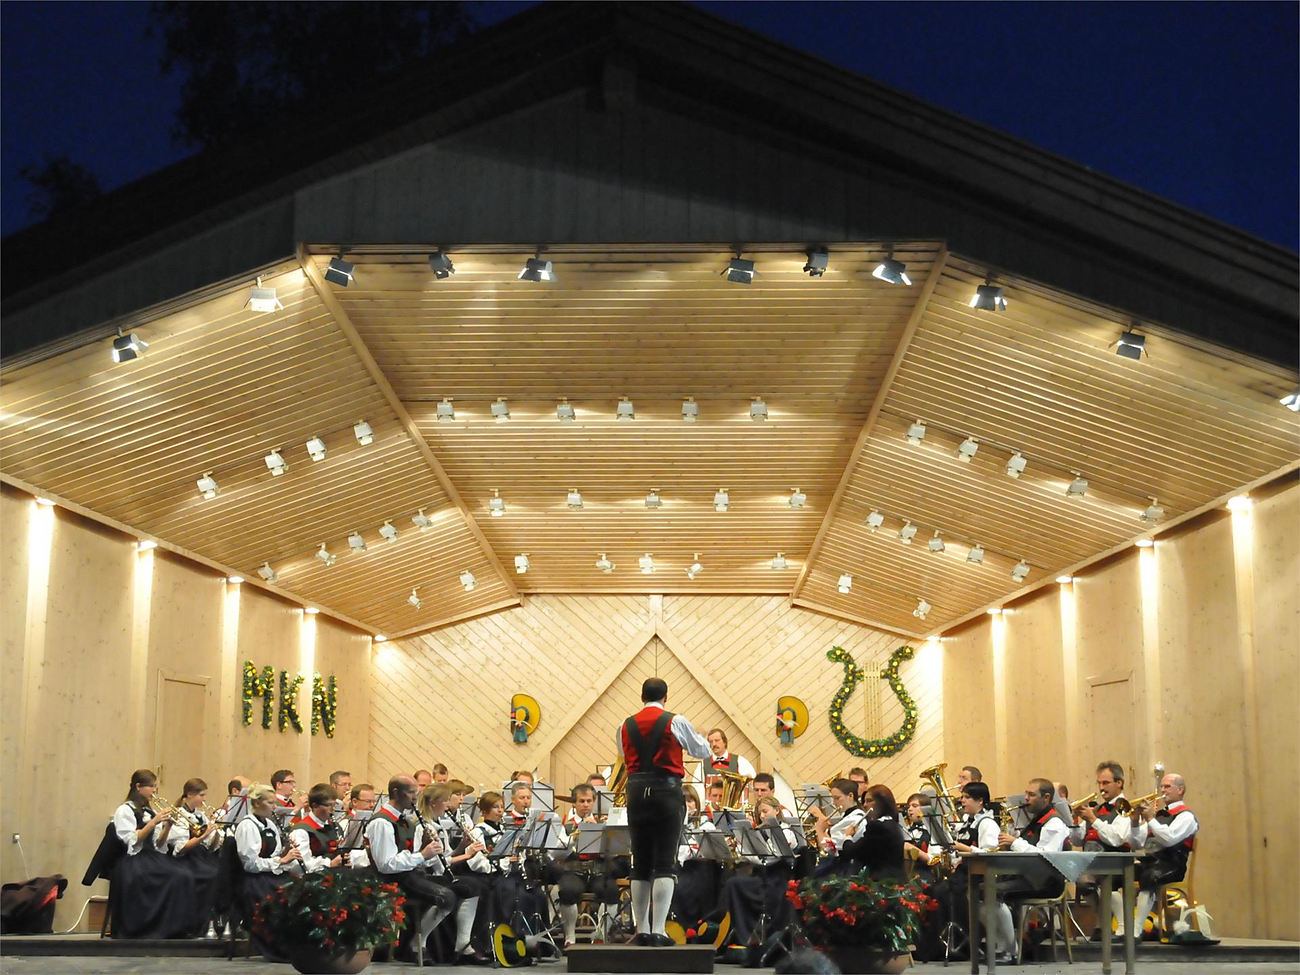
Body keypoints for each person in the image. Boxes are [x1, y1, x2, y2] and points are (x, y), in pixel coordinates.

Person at [618, 676, 712, 946]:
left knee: (640, 863)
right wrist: (701, 736)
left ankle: (641, 930)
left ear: (641, 697)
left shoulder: (624, 725)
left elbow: (623, 754)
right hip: (666, 793)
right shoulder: (676, 721)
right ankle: (658, 930)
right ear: (666, 697)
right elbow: (702, 751)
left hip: (636, 793)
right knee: (664, 863)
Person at [366, 775, 456, 963]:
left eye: (416, 792)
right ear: (396, 793)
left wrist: (423, 847)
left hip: (409, 876)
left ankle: (431, 946)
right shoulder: (382, 822)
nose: (415, 797)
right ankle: (415, 945)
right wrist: (422, 855)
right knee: (446, 897)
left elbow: (407, 855)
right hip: (393, 881)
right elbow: (386, 864)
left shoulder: (404, 820)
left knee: (461, 887)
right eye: (411, 792)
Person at [107, 768, 203, 939]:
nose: (155, 790)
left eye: (155, 786)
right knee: (175, 876)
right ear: (138, 787)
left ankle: (176, 928)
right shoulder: (125, 810)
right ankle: (153, 928)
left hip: (152, 856)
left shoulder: (149, 810)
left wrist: (167, 826)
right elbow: (133, 841)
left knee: (185, 875)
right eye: (151, 786)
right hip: (133, 859)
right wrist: (154, 822)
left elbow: (158, 844)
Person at [991, 778, 1070, 956]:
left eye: (1031, 795)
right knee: (981, 889)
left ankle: (1011, 950)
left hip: (1046, 882)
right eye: (1026, 794)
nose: (1026, 798)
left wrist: (1014, 842)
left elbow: (1044, 857)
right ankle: (1002, 945)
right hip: (1030, 878)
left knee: (992, 892)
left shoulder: (1054, 823)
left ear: (1046, 798)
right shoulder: (1035, 821)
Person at [1124, 773, 1199, 936]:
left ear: (1180, 790)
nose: (1163, 790)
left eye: (1167, 787)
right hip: (1150, 862)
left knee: (1148, 877)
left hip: (1172, 865)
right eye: (1162, 787)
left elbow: (1169, 839)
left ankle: (1136, 930)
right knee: (1118, 875)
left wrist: (1150, 819)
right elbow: (1136, 844)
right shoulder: (1159, 816)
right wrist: (1134, 822)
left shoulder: (1186, 816)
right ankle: (1122, 926)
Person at [235, 783, 304, 960]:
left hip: (271, 875)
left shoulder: (270, 824)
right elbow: (250, 864)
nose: (274, 807)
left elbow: (275, 855)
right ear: (257, 803)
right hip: (254, 881)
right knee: (280, 901)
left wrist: (286, 853)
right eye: (271, 803)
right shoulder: (247, 826)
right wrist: (281, 860)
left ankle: (302, 945)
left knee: (302, 892)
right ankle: (281, 948)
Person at [417, 784, 486, 961]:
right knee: (464, 887)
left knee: (474, 886)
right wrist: (467, 856)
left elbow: (446, 855)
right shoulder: (422, 827)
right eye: (445, 801)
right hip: (424, 876)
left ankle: (463, 945)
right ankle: (419, 943)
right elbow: (430, 862)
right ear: (433, 803)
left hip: (437, 873)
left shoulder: (437, 825)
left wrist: (462, 847)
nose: (448, 805)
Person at [809, 778, 867, 873]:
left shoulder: (855, 818)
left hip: (845, 870)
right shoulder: (847, 816)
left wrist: (819, 830)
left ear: (850, 796)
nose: (834, 803)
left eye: (837, 798)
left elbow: (829, 849)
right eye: (833, 798)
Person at [1073, 760, 1132, 851]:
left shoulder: (1126, 807)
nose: (1101, 788)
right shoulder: (1096, 809)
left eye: (1105, 783)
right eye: (1099, 783)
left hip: (1114, 860)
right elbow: (1076, 842)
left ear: (1119, 783)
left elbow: (1117, 838)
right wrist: (1074, 821)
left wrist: (1093, 820)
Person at [290, 785, 346, 873]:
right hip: (313, 878)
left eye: (334, 804)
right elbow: (301, 864)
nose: (333, 809)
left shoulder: (335, 826)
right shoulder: (301, 831)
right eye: (329, 805)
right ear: (315, 806)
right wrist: (329, 864)